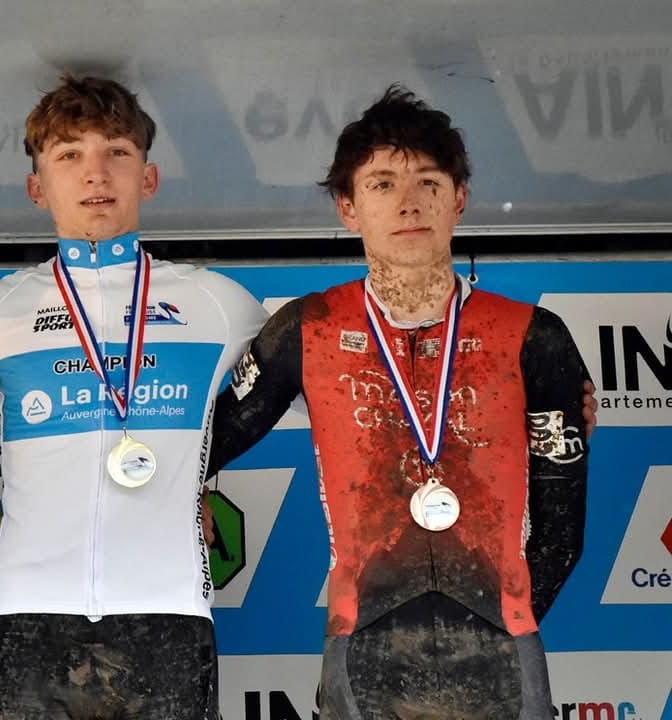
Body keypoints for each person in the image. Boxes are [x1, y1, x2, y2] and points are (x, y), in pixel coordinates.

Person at [207, 85, 590, 719]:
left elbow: (563, 528)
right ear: (348, 208)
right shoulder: (308, 328)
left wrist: (503, 621)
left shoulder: (533, 335)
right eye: (382, 184)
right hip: (362, 642)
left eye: (428, 183)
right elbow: (203, 447)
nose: (408, 203)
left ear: (459, 199)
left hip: (503, 646)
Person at [0, 74, 268, 719]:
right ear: (37, 188)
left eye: (117, 152)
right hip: (27, 612)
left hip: (169, 609)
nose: (96, 173)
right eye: (69, 155)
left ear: (149, 178)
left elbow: (320, 392)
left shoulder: (217, 304)